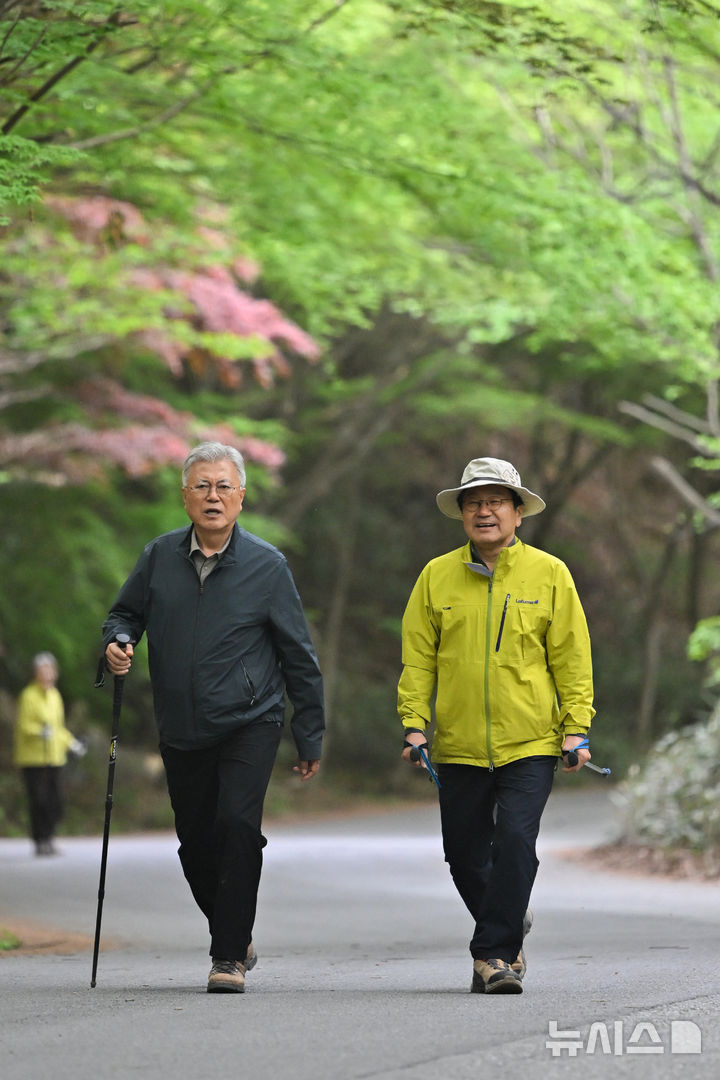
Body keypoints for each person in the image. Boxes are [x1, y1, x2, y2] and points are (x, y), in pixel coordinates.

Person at [101, 441, 324, 994]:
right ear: (185, 496)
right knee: (195, 841)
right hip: (181, 723)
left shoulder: (268, 566)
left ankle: (228, 954)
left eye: (224, 486)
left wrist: (309, 733)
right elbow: (124, 613)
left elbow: (299, 654)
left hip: (251, 719)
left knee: (237, 826)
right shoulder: (158, 558)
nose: (213, 496)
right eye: (202, 486)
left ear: (242, 497)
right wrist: (119, 641)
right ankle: (235, 929)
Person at [398, 457, 594, 994]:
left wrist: (575, 728)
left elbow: (573, 659)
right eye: (473, 503)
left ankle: (494, 953)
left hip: (531, 739)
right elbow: (418, 660)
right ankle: (506, 916)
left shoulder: (550, 574)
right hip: (458, 743)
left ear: (517, 512)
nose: (484, 512)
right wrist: (414, 725)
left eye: (495, 502)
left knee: (514, 842)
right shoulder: (436, 576)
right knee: (463, 853)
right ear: (461, 513)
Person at [14, 652, 85, 856]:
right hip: (33, 758)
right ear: (35, 673)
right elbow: (24, 725)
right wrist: (39, 731)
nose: (47, 674)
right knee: (39, 800)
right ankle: (40, 840)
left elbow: (58, 728)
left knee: (56, 801)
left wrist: (73, 744)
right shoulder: (28, 695)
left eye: (50, 670)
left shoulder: (55, 695)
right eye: (42, 670)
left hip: (54, 757)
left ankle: (50, 837)